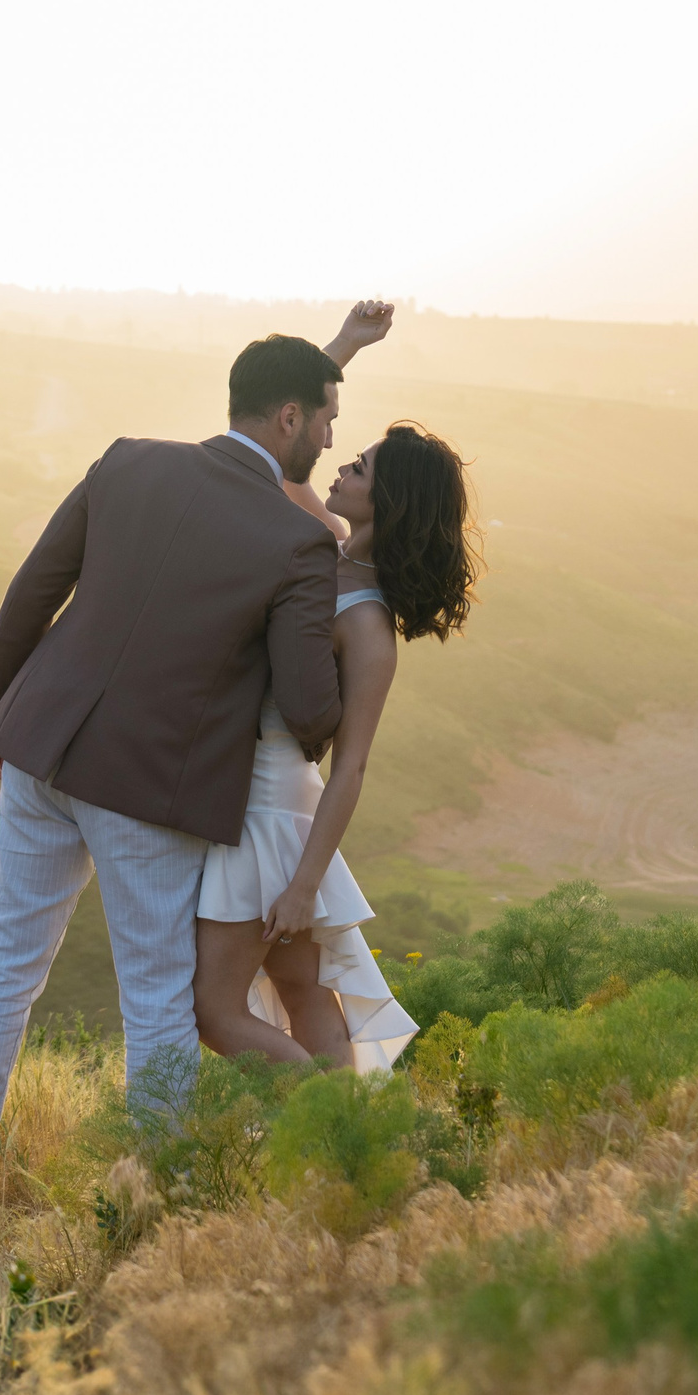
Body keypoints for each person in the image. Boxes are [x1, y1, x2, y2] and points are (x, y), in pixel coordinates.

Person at [0, 300, 395, 1182]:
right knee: (154, 999)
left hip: (41, 748)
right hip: (149, 790)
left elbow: (34, 590)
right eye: (328, 419)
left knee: (3, 963)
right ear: (290, 416)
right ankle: (160, 1192)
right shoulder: (297, 541)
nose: (332, 441)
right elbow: (308, 710)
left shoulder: (127, 461)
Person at [191, 418, 479, 1072]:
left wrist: (304, 885)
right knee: (304, 994)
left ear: (390, 500)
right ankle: (341, 1148)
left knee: (214, 1010)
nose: (341, 468)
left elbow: (351, 768)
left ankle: (329, 1123)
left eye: (360, 467)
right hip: (249, 802)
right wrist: (343, 348)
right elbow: (275, 449)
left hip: (268, 812)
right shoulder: (321, 543)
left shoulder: (370, 627)